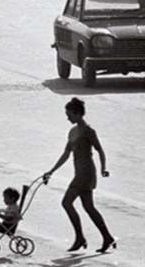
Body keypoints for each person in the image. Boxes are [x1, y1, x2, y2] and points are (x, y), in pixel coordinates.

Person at [43, 98, 116, 253]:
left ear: (77, 113)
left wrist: (104, 168)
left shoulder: (89, 131)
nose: (67, 117)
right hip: (80, 173)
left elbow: (100, 150)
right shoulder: (72, 131)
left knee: (67, 203)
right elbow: (66, 154)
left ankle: (80, 237)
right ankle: (107, 237)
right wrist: (51, 171)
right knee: (89, 207)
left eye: (69, 114)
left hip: (86, 173)